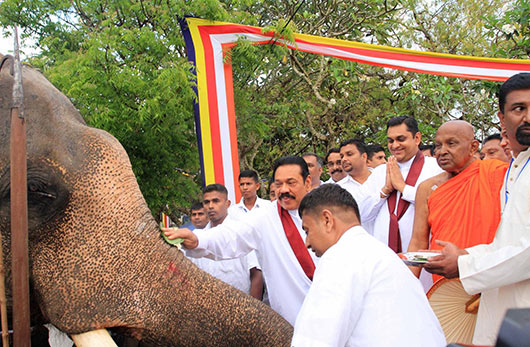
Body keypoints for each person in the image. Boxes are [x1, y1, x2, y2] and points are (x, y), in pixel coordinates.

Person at [424, 72, 530, 345]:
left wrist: (464, 263)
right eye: (519, 108)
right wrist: (466, 254)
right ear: (502, 118)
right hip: (502, 297)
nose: (528, 117)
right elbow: (505, 243)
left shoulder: (496, 171)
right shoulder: (516, 169)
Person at [164, 156, 318, 325]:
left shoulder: (328, 209)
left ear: (308, 182)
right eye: (278, 184)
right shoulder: (265, 216)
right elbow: (230, 236)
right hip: (291, 321)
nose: (283, 190)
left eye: (291, 182)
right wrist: (197, 239)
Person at [292, 184, 445, 347]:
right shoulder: (384, 256)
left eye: (307, 231)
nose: (307, 243)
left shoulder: (340, 256)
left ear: (327, 220)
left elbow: (316, 339)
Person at [408, 120, 508, 283]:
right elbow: (418, 241)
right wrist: (409, 283)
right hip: (445, 284)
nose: (442, 151)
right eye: (438, 146)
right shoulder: (427, 188)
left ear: (473, 147)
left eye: (451, 144)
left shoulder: (498, 174)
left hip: (488, 274)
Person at [360, 116, 443, 289]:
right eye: (390, 140)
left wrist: (404, 189)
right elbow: (362, 214)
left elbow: (440, 204)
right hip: (384, 258)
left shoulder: (435, 168)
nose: (395, 145)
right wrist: (385, 191)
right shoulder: (379, 172)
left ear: (417, 138)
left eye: (401, 139)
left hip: (422, 260)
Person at [185, 184, 263, 300]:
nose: (210, 206)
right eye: (207, 202)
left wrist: (254, 310)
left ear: (227, 204)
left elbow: (256, 273)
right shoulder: (198, 238)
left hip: (241, 306)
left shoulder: (240, 231)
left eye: (216, 201)